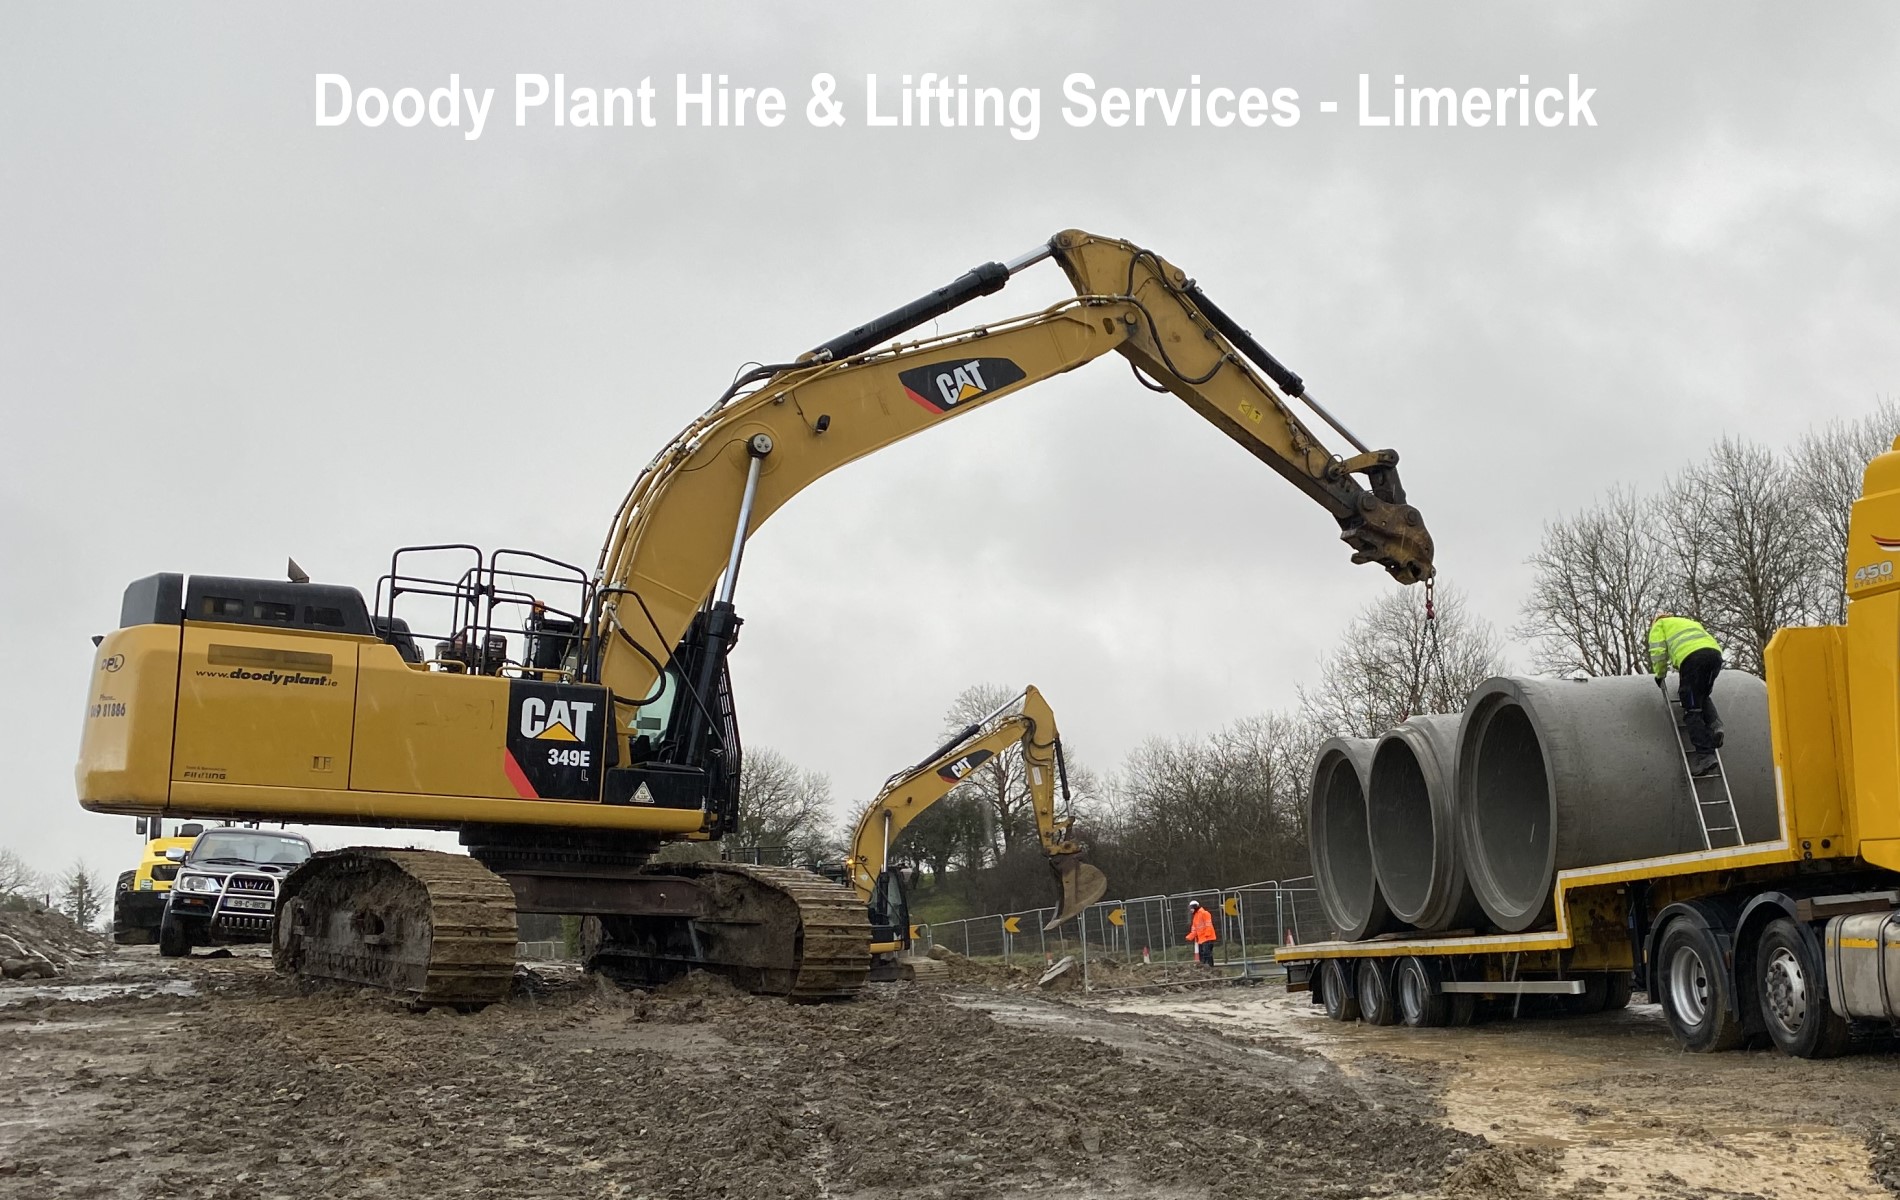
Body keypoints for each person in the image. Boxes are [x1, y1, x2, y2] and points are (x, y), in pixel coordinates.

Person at [1648, 610, 1725, 776]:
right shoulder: (1689, 622)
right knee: (1702, 694)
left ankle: (1705, 756)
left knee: (1691, 708)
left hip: (1692, 659)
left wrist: (1660, 675)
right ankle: (1715, 726)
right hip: (1715, 656)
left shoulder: (1659, 626)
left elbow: (1658, 653)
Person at [1186, 899, 1217, 966]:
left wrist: (1207, 934)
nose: (1190, 910)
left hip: (1208, 938)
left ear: (1195, 907)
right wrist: (1190, 936)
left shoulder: (1204, 913)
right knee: (1202, 954)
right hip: (1201, 939)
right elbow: (1194, 929)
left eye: (1191, 908)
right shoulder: (1195, 917)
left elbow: (1208, 924)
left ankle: (1210, 967)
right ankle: (1204, 967)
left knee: (1207, 953)